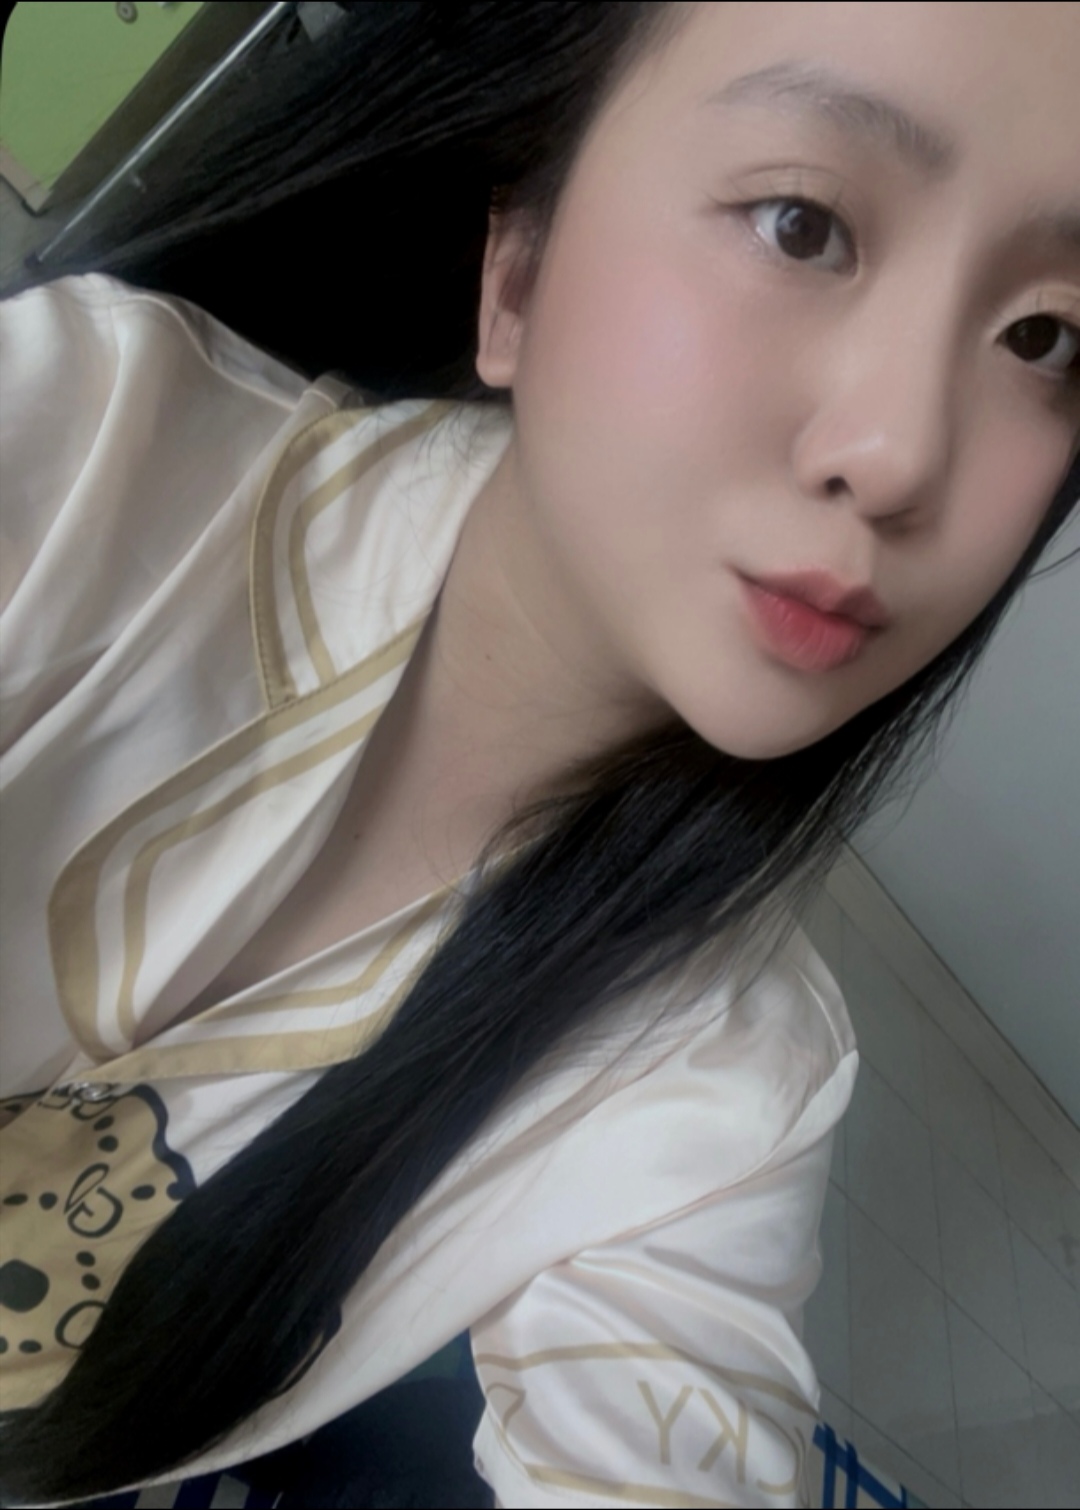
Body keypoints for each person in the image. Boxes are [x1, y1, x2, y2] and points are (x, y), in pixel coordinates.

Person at [1, 2, 1078, 1505]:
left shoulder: (724, 1087)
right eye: (803, 223)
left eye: (1045, 336)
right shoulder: (72, 449)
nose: (900, 454)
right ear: (514, 272)